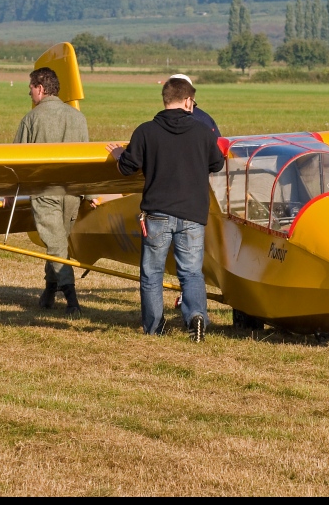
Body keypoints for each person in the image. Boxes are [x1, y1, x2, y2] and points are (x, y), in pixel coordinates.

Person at [105, 77, 224, 342]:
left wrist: (118, 156)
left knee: (152, 273)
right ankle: (196, 316)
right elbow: (217, 164)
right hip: (193, 214)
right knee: (191, 272)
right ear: (188, 101)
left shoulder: (146, 131)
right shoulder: (204, 133)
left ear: (165, 99)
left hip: (157, 213)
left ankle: (154, 327)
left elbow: (127, 168)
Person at [14, 67, 89, 316]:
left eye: (31, 89)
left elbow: (16, 160)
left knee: (57, 246)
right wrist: (88, 194)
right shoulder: (79, 118)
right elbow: (86, 160)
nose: (30, 94)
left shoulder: (31, 119)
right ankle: (49, 291)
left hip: (45, 190)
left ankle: (72, 299)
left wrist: (8, 190)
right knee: (58, 243)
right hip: (72, 192)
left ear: (41, 89)